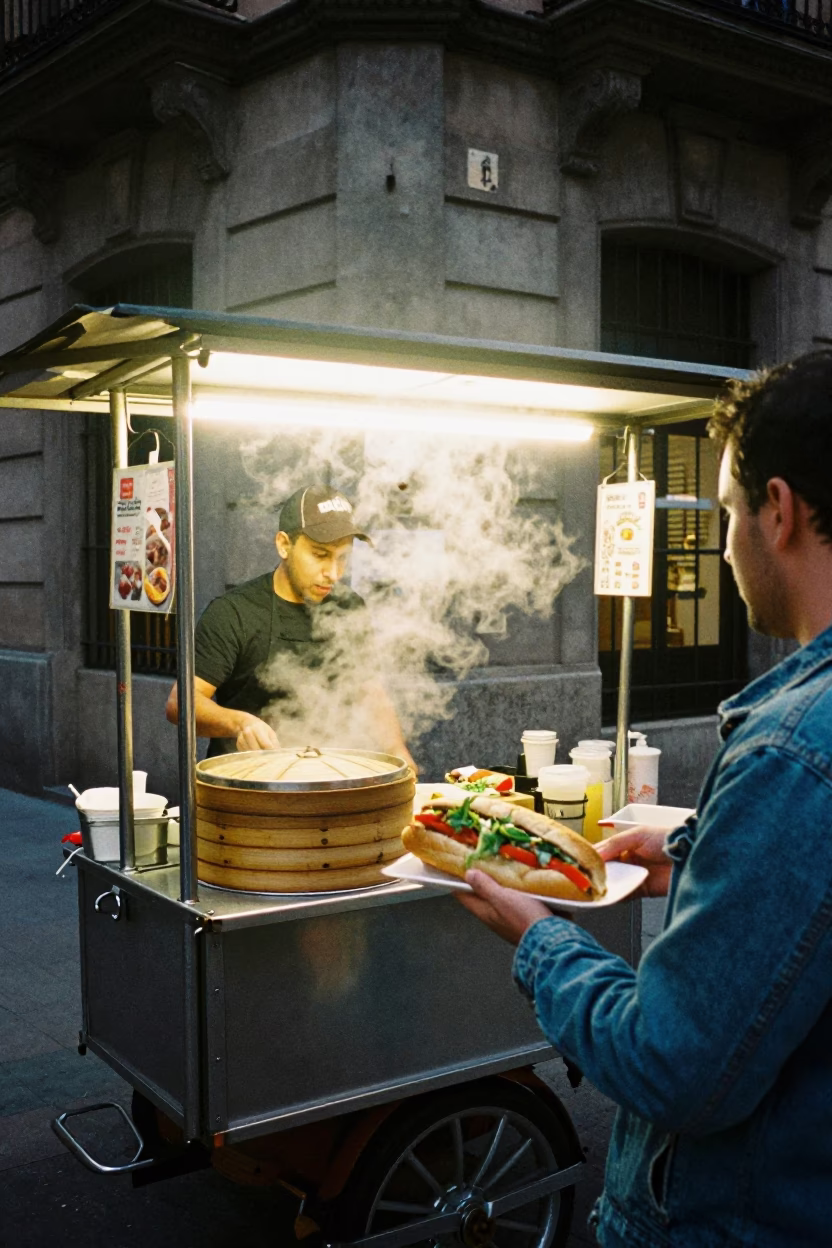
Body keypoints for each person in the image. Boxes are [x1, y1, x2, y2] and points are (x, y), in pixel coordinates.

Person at [458, 352, 832, 1246]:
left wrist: (540, 939)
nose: (724, 541)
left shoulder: (793, 749)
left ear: (776, 512)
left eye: (725, 513)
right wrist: (699, 848)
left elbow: (675, 1065)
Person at [166, 483, 416, 770]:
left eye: (343, 558)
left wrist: (396, 749)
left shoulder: (349, 606)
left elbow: (368, 690)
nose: (333, 573)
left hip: (328, 777)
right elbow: (179, 704)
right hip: (246, 783)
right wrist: (240, 723)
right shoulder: (234, 612)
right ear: (284, 545)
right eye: (320, 555)